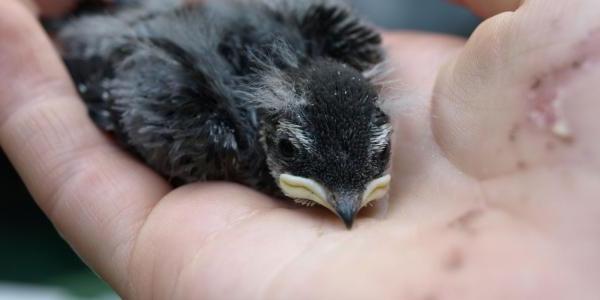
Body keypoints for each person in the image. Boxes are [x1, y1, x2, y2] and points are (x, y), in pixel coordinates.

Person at [1, 0, 598, 298]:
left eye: (373, 159)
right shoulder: (202, 129)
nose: (346, 205)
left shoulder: (343, 43)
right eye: (293, 151)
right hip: (116, 34)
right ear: (269, 137)